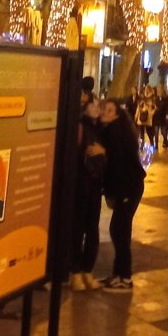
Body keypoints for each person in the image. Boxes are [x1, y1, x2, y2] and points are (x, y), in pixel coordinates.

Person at [100, 99, 145, 291]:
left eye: (109, 110)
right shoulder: (115, 130)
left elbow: (118, 164)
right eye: (104, 110)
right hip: (128, 187)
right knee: (118, 230)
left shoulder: (116, 132)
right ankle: (118, 273)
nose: (105, 113)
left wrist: (104, 152)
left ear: (117, 114)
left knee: (120, 231)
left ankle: (124, 277)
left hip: (128, 188)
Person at [71, 91, 105, 291]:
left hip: (95, 184)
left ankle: (87, 270)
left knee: (93, 228)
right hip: (81, 184)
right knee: (78, 228)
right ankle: (75, 272)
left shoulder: (101, 128)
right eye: (93, 105)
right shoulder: (80, 128)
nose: (97, 108)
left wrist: (104, 151)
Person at [135, 85, 158, 150]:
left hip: (148, 117)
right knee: (141, 133)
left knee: (149, 132)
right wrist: (136, 115)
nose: (146, 90)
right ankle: (142, 145)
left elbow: (155, 107)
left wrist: (152, 112)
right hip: (141, 117)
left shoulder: (153, 98)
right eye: (145, 89)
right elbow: (138, 107)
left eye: (147, 89)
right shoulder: (142, 98)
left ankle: (152, 144)